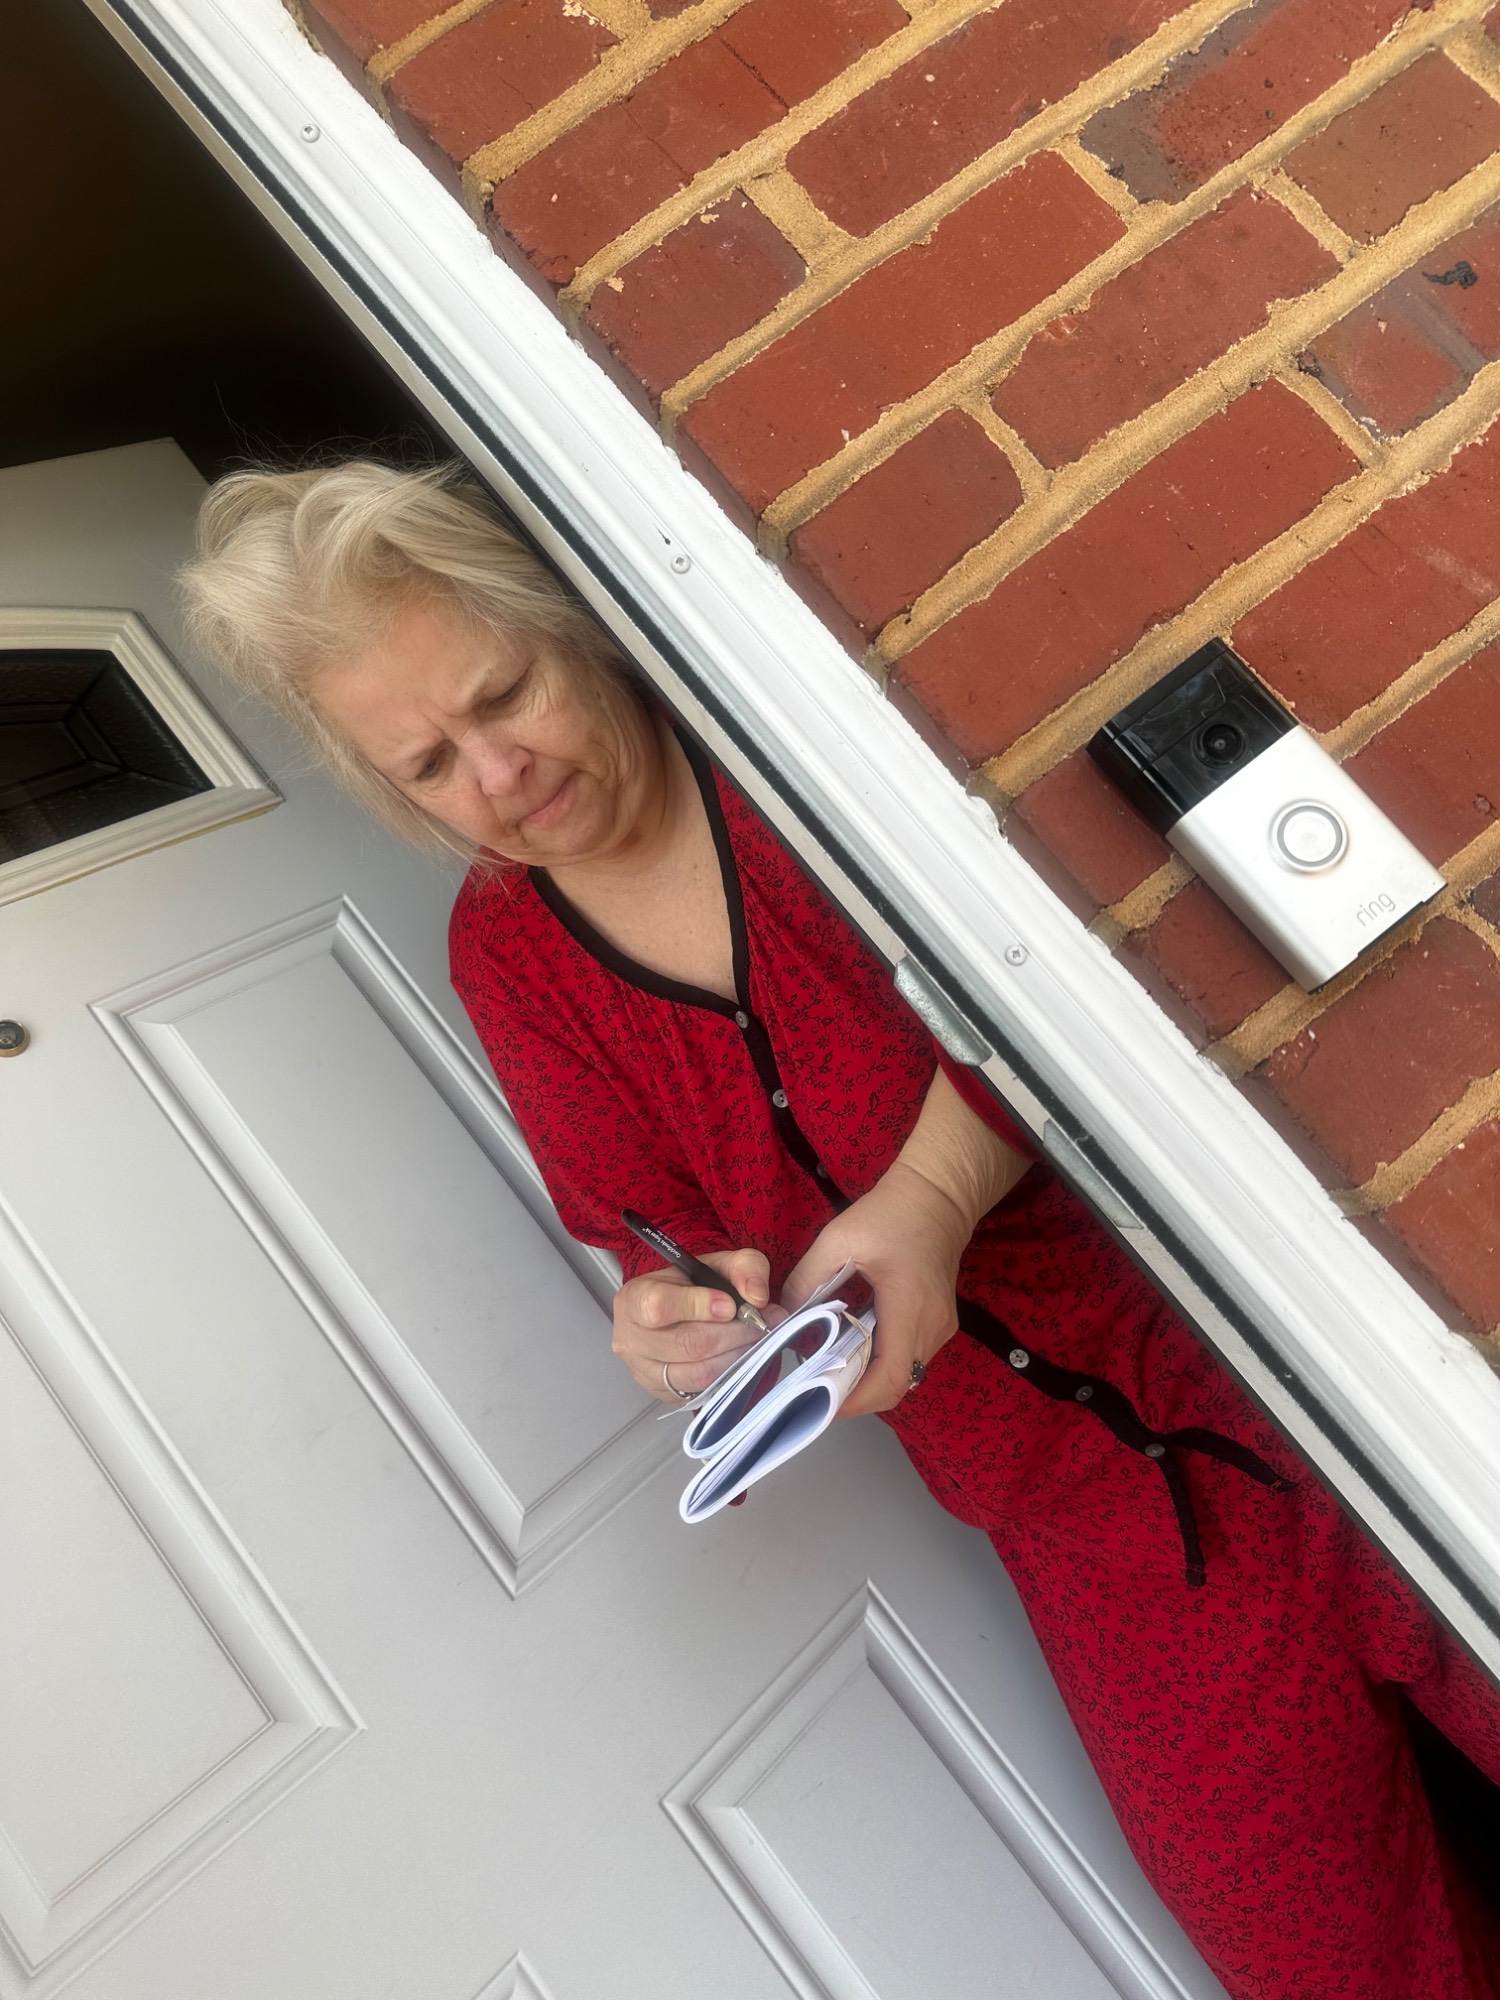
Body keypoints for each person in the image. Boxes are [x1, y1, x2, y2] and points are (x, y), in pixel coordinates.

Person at [183, 459, 1500, 2000]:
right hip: (1095, 1535)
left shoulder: (784, 757)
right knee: (1323, 1964)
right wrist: (677, 1321)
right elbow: (651, 1223)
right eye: (428, 765)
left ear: (568, 623)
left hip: (1296, 1366)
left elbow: (1059, 971)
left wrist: (929, 1200)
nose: (499, 775)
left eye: (505, 694)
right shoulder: (510, 955)